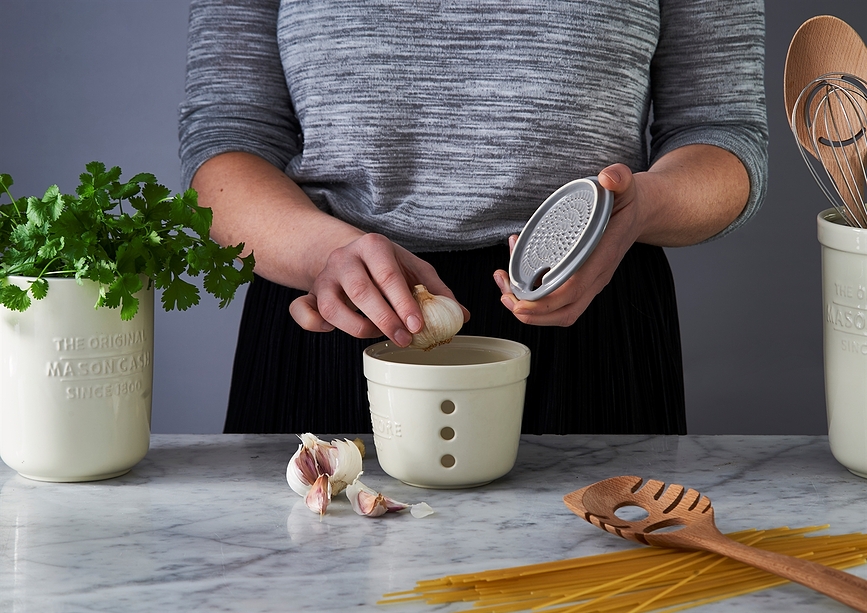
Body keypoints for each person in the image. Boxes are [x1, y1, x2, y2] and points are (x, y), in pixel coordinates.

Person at [178, 0, 768, 435]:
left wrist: (643, 206)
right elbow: (228, 138)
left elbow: (723, 134)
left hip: (584, 319)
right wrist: (320, 253)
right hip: (336, 316)